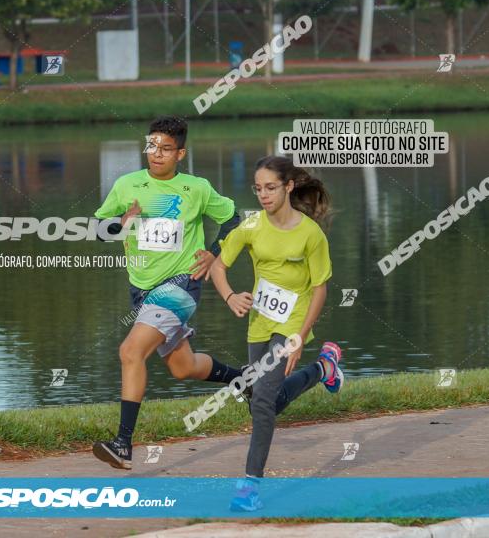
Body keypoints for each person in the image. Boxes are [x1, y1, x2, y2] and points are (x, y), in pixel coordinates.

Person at [91, 115, 244, 470]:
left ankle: (123, 445)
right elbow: (100, 230)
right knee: (183, 367)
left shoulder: (197, 188)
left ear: (180, 154)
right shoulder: (127, 184)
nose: (156, 155)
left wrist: (215, 252)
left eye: (166, 149)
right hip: (141, 290)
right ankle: (243, 380)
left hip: (181, 284)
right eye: (152, 147)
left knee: (130, 351)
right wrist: (121, 223)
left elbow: (235, 218)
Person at [210, 155, 344, 512]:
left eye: (271, 188)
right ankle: (324, 369)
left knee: (264, 402)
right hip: (260, 321)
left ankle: (249, 487)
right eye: (258, 189)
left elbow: (320, 289)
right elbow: (218, 267)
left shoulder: (310, 234)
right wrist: (230, 296)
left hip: (293, 323)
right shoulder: (252, 226)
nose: (263, 195)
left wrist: (301, 336)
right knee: (263, 400)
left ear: (288, 187)